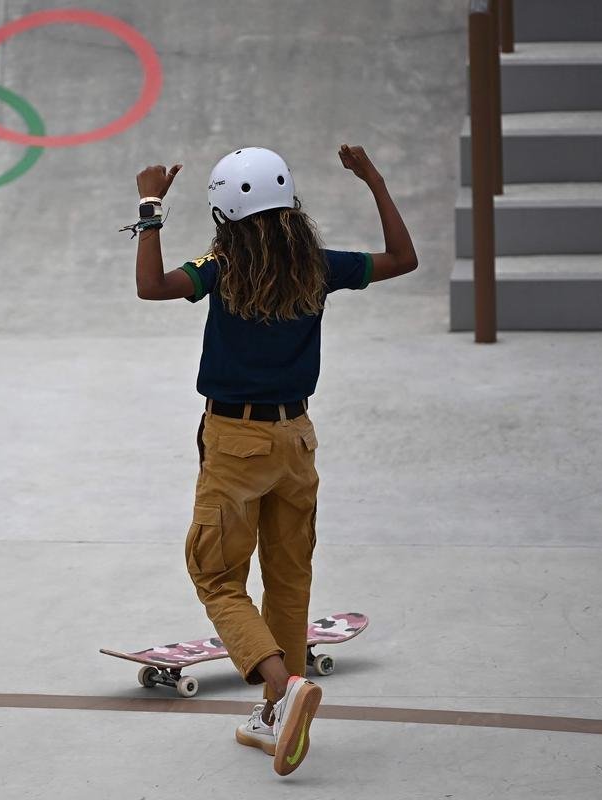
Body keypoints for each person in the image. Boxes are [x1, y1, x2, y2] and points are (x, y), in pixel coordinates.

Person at [131, 145, 417, 775]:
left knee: (216, 577)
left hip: (237, 443)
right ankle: (274, 712)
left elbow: (150, 286)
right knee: (288, 578)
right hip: (298, 441)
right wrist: (373, 179)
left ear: (224, 210)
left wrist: (151, 206)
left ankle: (284, 688)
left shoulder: (222, 264)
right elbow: (404, 258)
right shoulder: (317, 264)